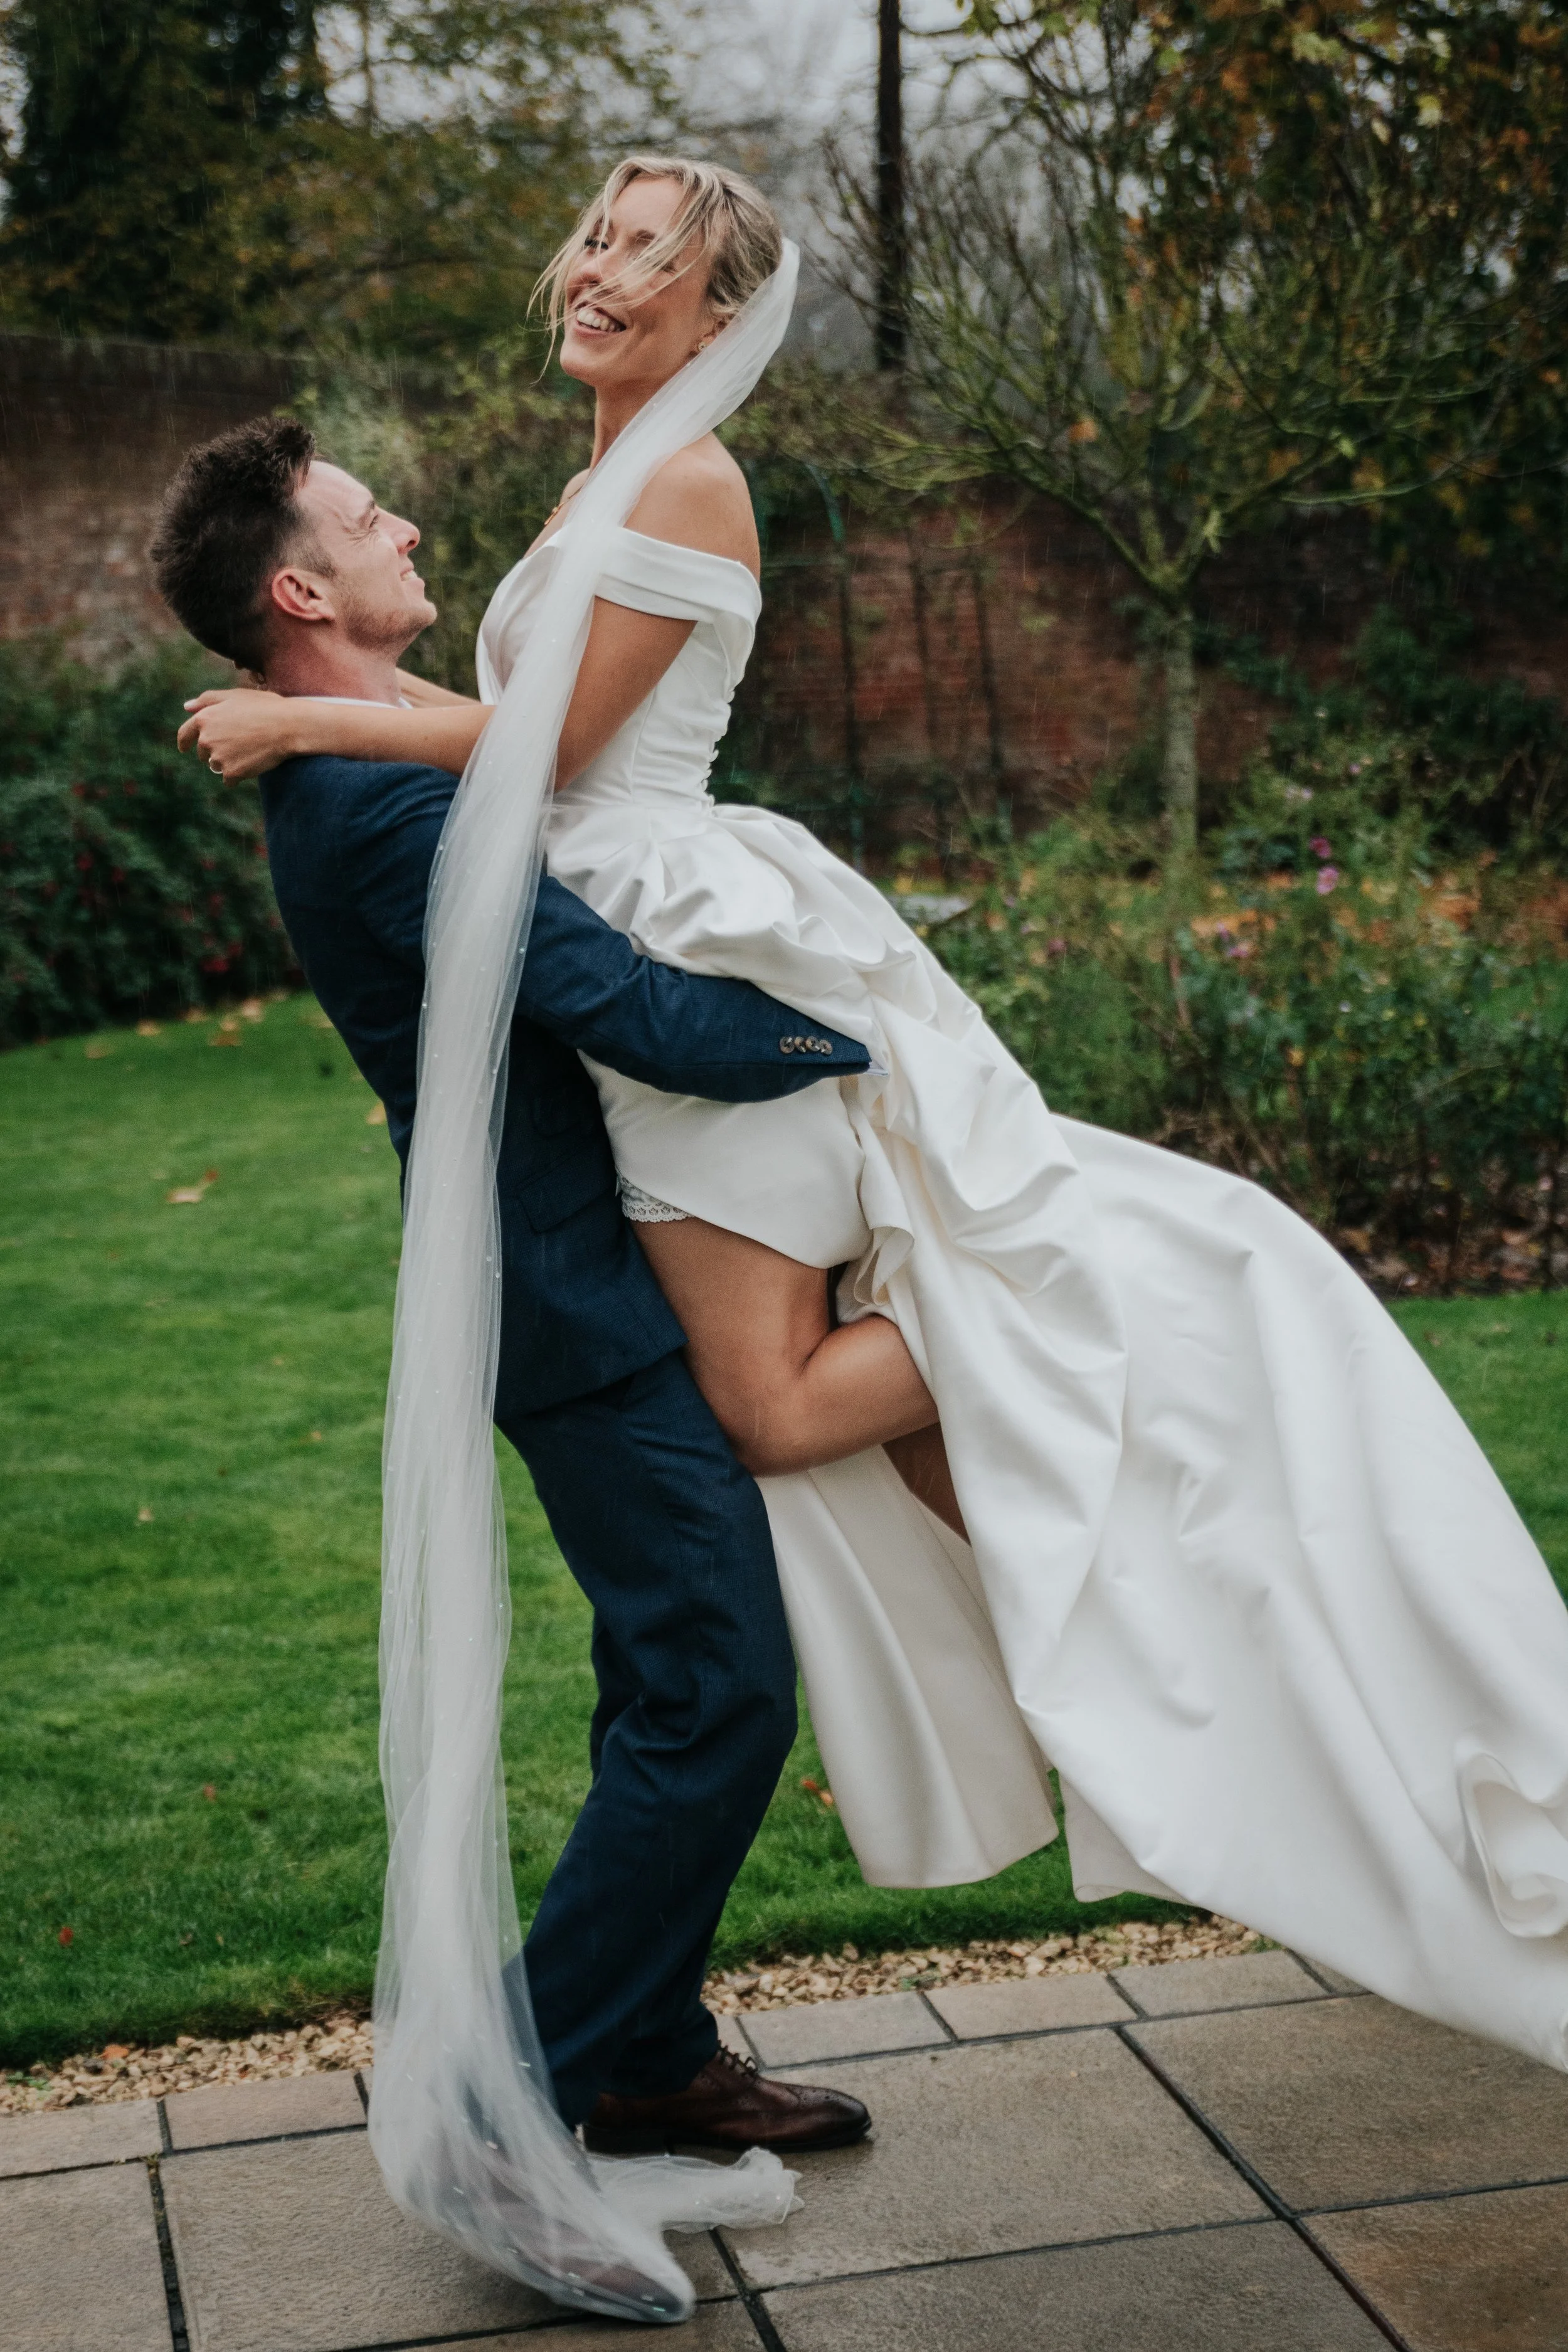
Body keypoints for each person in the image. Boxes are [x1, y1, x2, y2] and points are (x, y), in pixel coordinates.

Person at [179, 153, 1568, 2284]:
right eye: (597, 234)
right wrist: (806, 1037)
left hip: (677, 1030)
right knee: (718, 1603)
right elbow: (558, 884)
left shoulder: (661, 500)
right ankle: (582, 2071)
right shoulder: (507, 594)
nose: (595, 265)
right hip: (616, 1107)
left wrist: (314, 713)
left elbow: (552, 769)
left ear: (719, 297)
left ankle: (621, 2046)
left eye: (645, 246)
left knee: (716, 1563)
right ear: (302, 586)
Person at [149, 416, 877, 2321]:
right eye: (365, 516)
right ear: (301, 591)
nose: (408, 523)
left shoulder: (370, 761)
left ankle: (638, 2052)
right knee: (716, 1676)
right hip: (558, 1292)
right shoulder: (373, 808)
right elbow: (612, 999)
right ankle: (507, 2099)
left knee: (666, 1665)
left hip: (576, 1266)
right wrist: (859, 1037)